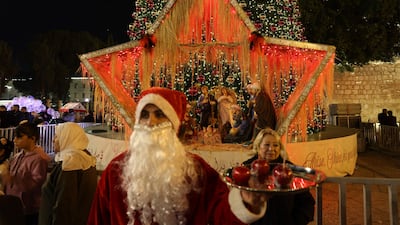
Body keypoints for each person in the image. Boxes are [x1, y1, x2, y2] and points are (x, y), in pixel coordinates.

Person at [87, 87, 268, 225]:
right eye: (144, 115)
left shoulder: (196, 169)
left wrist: (246, 202)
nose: (151, 122)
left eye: (160, 115)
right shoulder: (116, 170)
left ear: (174, 124)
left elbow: (220, 214)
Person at [242, 128, 315, 225]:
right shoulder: (247, 170)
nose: (271, 149)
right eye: (267, 145)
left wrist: (296, 222)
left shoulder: (290, 170)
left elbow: (306, 202)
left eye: (275, 145)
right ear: (258, 147)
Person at [39, 122, 97, 225]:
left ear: (66, 137)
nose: (53, 140)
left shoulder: (70, 163)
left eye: (56, 136)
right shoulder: (85, 158)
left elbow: (64, 205)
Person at [1, 122, 48, 225]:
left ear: (32, 138)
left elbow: (35, 184)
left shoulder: (38, 159)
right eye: (15, 137)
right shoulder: (16, 157)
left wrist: (13, 179)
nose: (15, 140)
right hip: (13, 205)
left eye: (20, 137)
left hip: (29, 209)